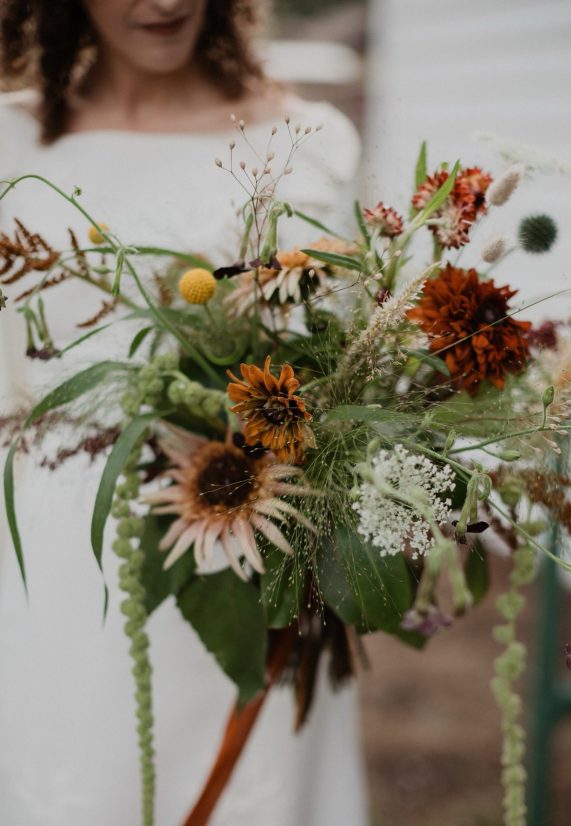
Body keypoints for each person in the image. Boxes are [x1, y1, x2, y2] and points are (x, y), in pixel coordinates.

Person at [0, 2, 368, 824]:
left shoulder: (309, 142)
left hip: (252, 545)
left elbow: (346, 365)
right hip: (55, 567)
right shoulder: (10, 145)